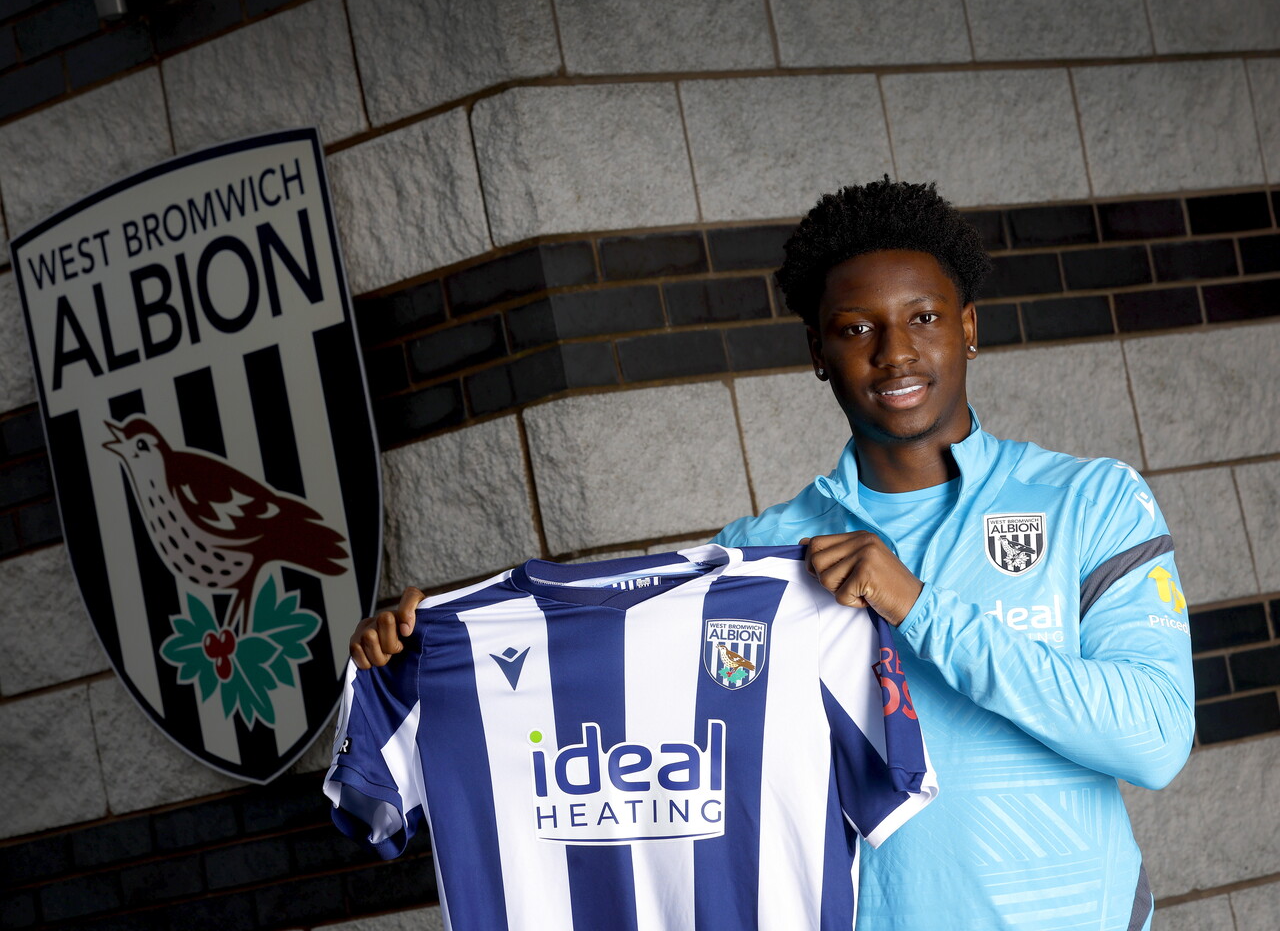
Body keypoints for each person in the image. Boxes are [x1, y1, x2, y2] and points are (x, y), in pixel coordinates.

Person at [351, 177, 1195, 930]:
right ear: (818, 354)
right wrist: (428, 657)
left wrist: (918, 607)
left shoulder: (1091, 501)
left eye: (924, 318)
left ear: (969, 328)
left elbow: (1154, 739)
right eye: (857, 328)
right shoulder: (757, 557)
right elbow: (625, 718)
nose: (895, 352)